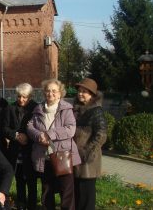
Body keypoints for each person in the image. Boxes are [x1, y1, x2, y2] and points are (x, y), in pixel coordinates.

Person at [27, 79, 81, 210]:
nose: (50, 93)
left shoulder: (66, 109)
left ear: (59, 94)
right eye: (47, 90)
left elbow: (70, 129)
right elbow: (30, 127)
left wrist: (49, 134)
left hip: (63, 156)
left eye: (54, 91)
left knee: (66, 192)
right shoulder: (38, 109)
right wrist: (39, 136)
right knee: (46, 191)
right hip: (44, 157)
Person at [1, 83, 38, 210]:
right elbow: (4, 128)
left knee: (31, 179)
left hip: (30, 148)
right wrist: (16, 135)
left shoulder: (36, 108)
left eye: (24, 97)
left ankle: (32, 204)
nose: (21, 99)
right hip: (16, 149)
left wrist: (27, 136)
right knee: (19, 178)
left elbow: (39, 126)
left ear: (30, 96)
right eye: (19, 96)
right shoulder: (10, 108)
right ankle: (21, 202)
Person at [73, 78, 107, 210]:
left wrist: (86, 152)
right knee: (77, 193)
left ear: (92, 94)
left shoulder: (96, 111)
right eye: (79, 91)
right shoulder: (77, 109)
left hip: (88, 159)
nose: (80, 94)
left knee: (87, 195)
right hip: (75, 157)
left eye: (84, 92)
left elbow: (101, 135)